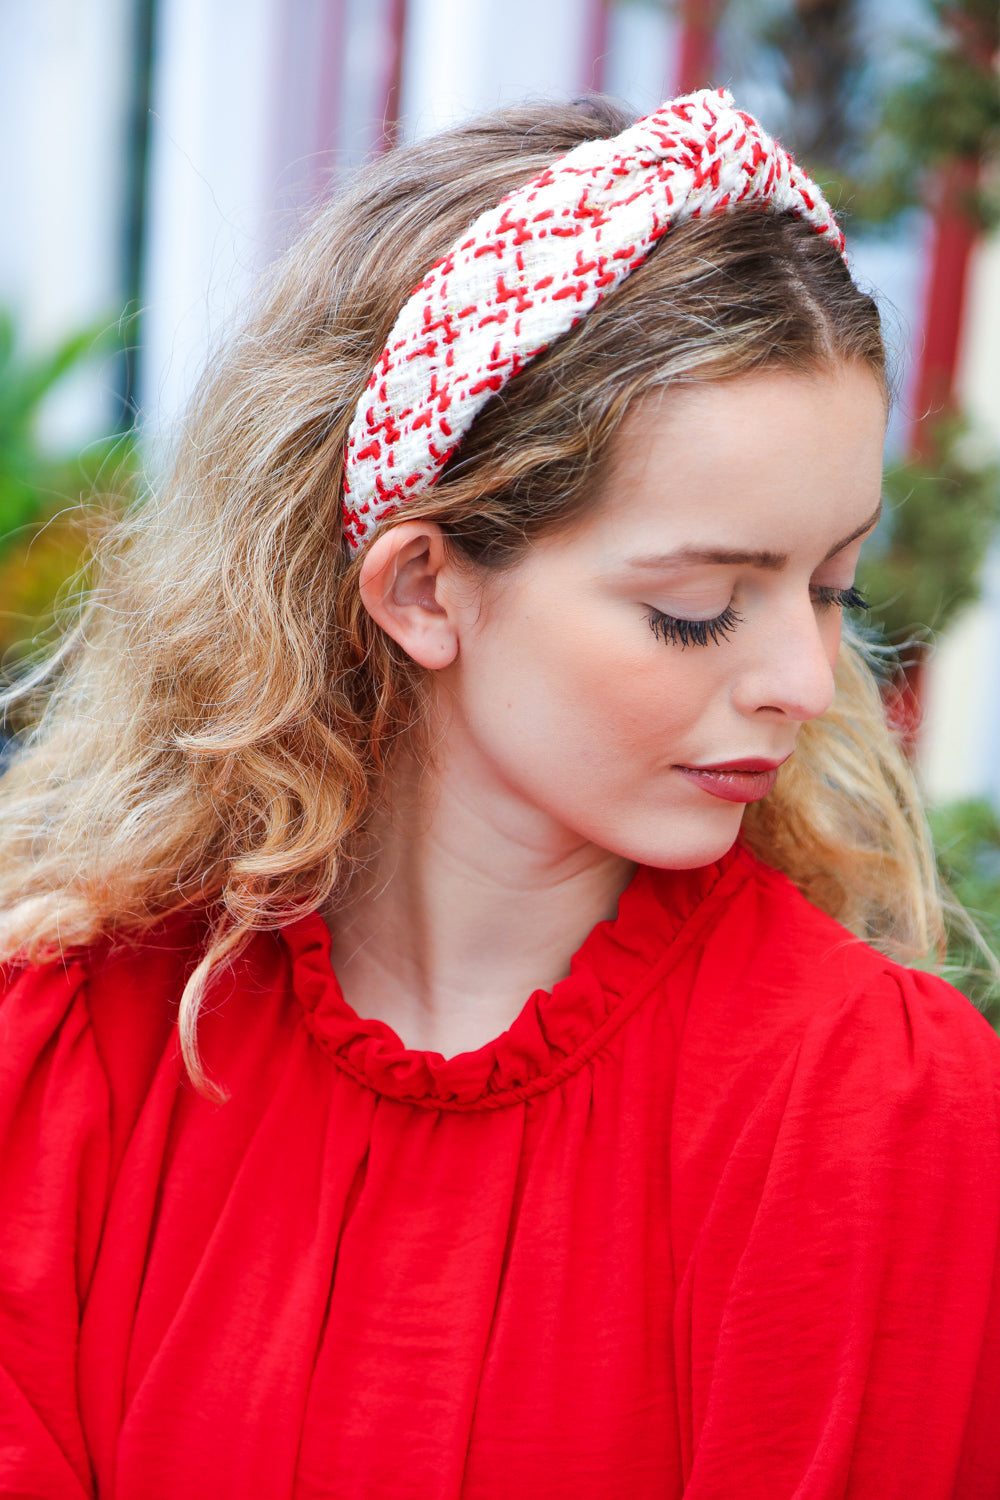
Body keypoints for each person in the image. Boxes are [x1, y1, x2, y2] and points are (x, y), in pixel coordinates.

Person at [1, 87, 998, 1500]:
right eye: (703, 606)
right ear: (425, 586)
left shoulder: (874, 1117)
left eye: (832, 585)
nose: (803, 676)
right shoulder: (70, 1055)